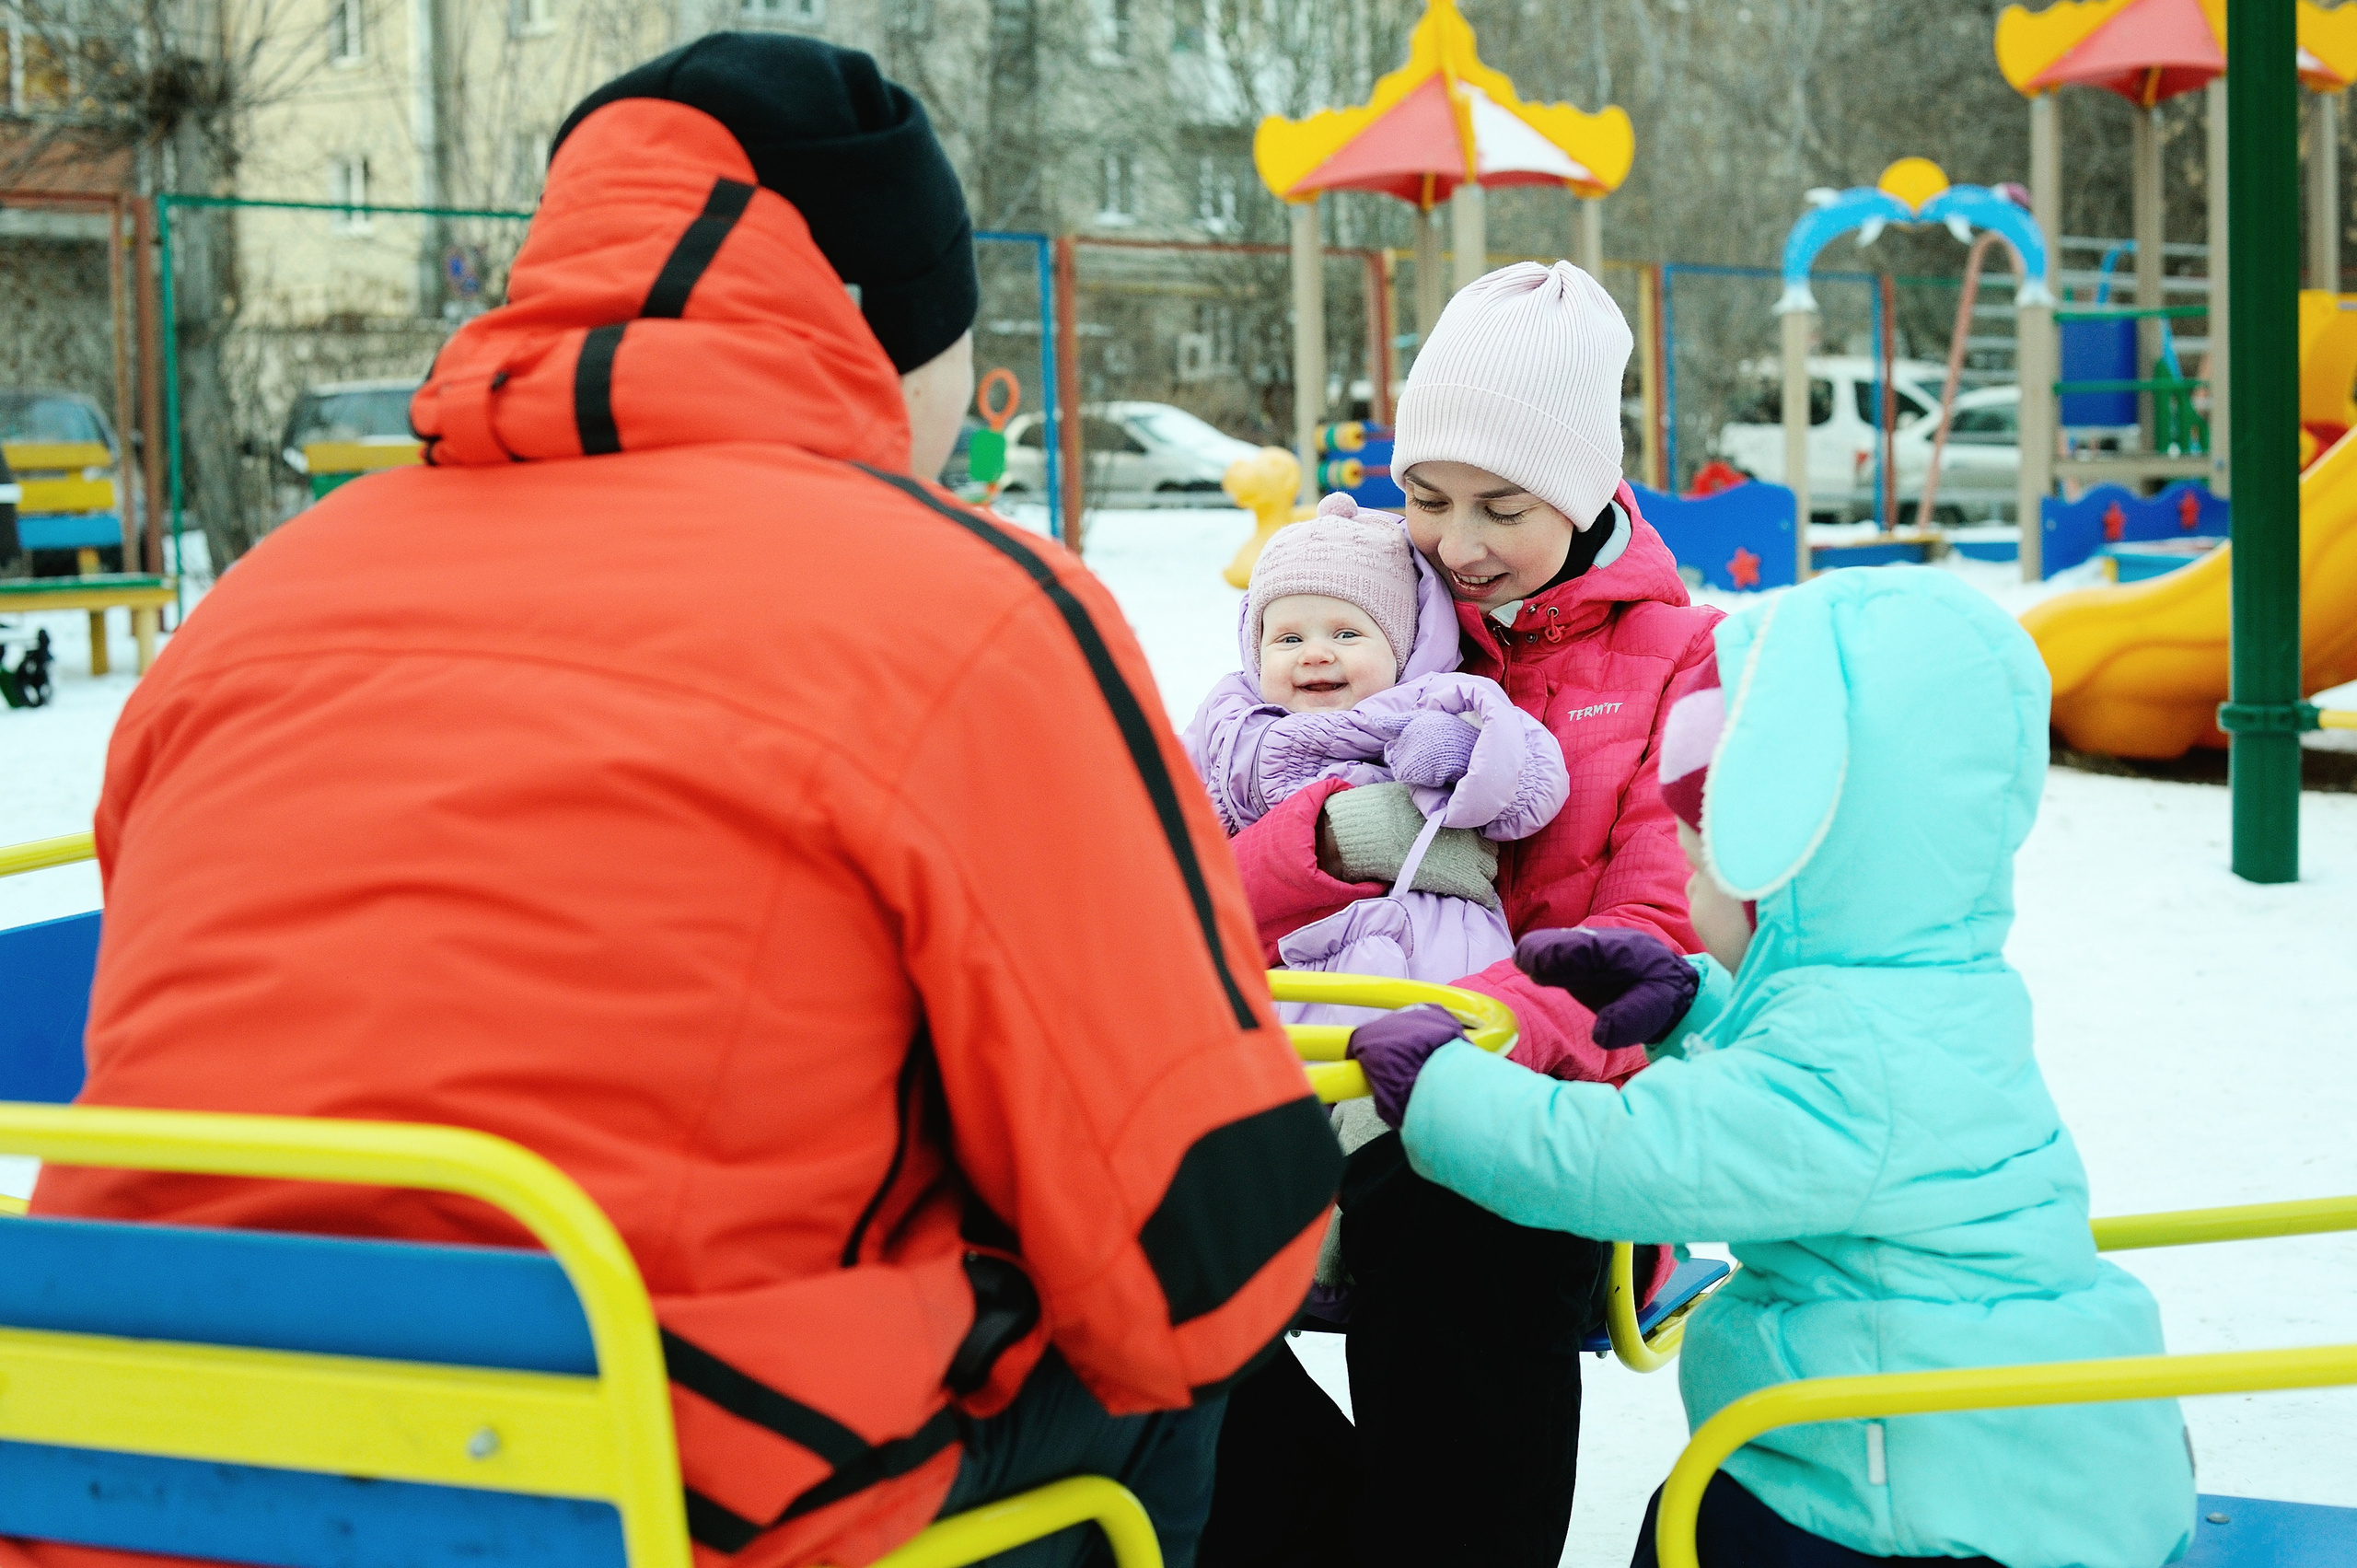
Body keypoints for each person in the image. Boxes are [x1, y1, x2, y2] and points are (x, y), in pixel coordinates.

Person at [15, 34, 1341, 1568]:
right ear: (894, 334)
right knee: (1180, 1389)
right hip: (646, 1493)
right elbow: (1198, 1262)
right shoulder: (966, 606)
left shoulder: (249, 608)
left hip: (113, 1468)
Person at [1353, 568, 2199, 1568]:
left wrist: (1439, 1089)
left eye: (1696, 861)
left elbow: (1624, 1162)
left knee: (1693, 1525)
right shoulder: (1925, 991)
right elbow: (1806, 1118)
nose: (1685, 888)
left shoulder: (1850, 1042)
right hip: (1999, 1455)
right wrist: (1691, 1010)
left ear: (1781, 868)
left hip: (1928, 1505)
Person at [1203, 262, 1722, 1568]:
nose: (1459, 541)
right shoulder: (1356, 613)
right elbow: (1191, 880)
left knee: (1453, 1200)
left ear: (1587, 493)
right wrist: (1327, 844)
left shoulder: (1676, 660)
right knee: (1107, 1219)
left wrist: (1464, 1044)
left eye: (1504, 506)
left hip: (1542, 1097)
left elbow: (1656, 928)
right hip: (1315, 1058)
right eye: (1427, 498)